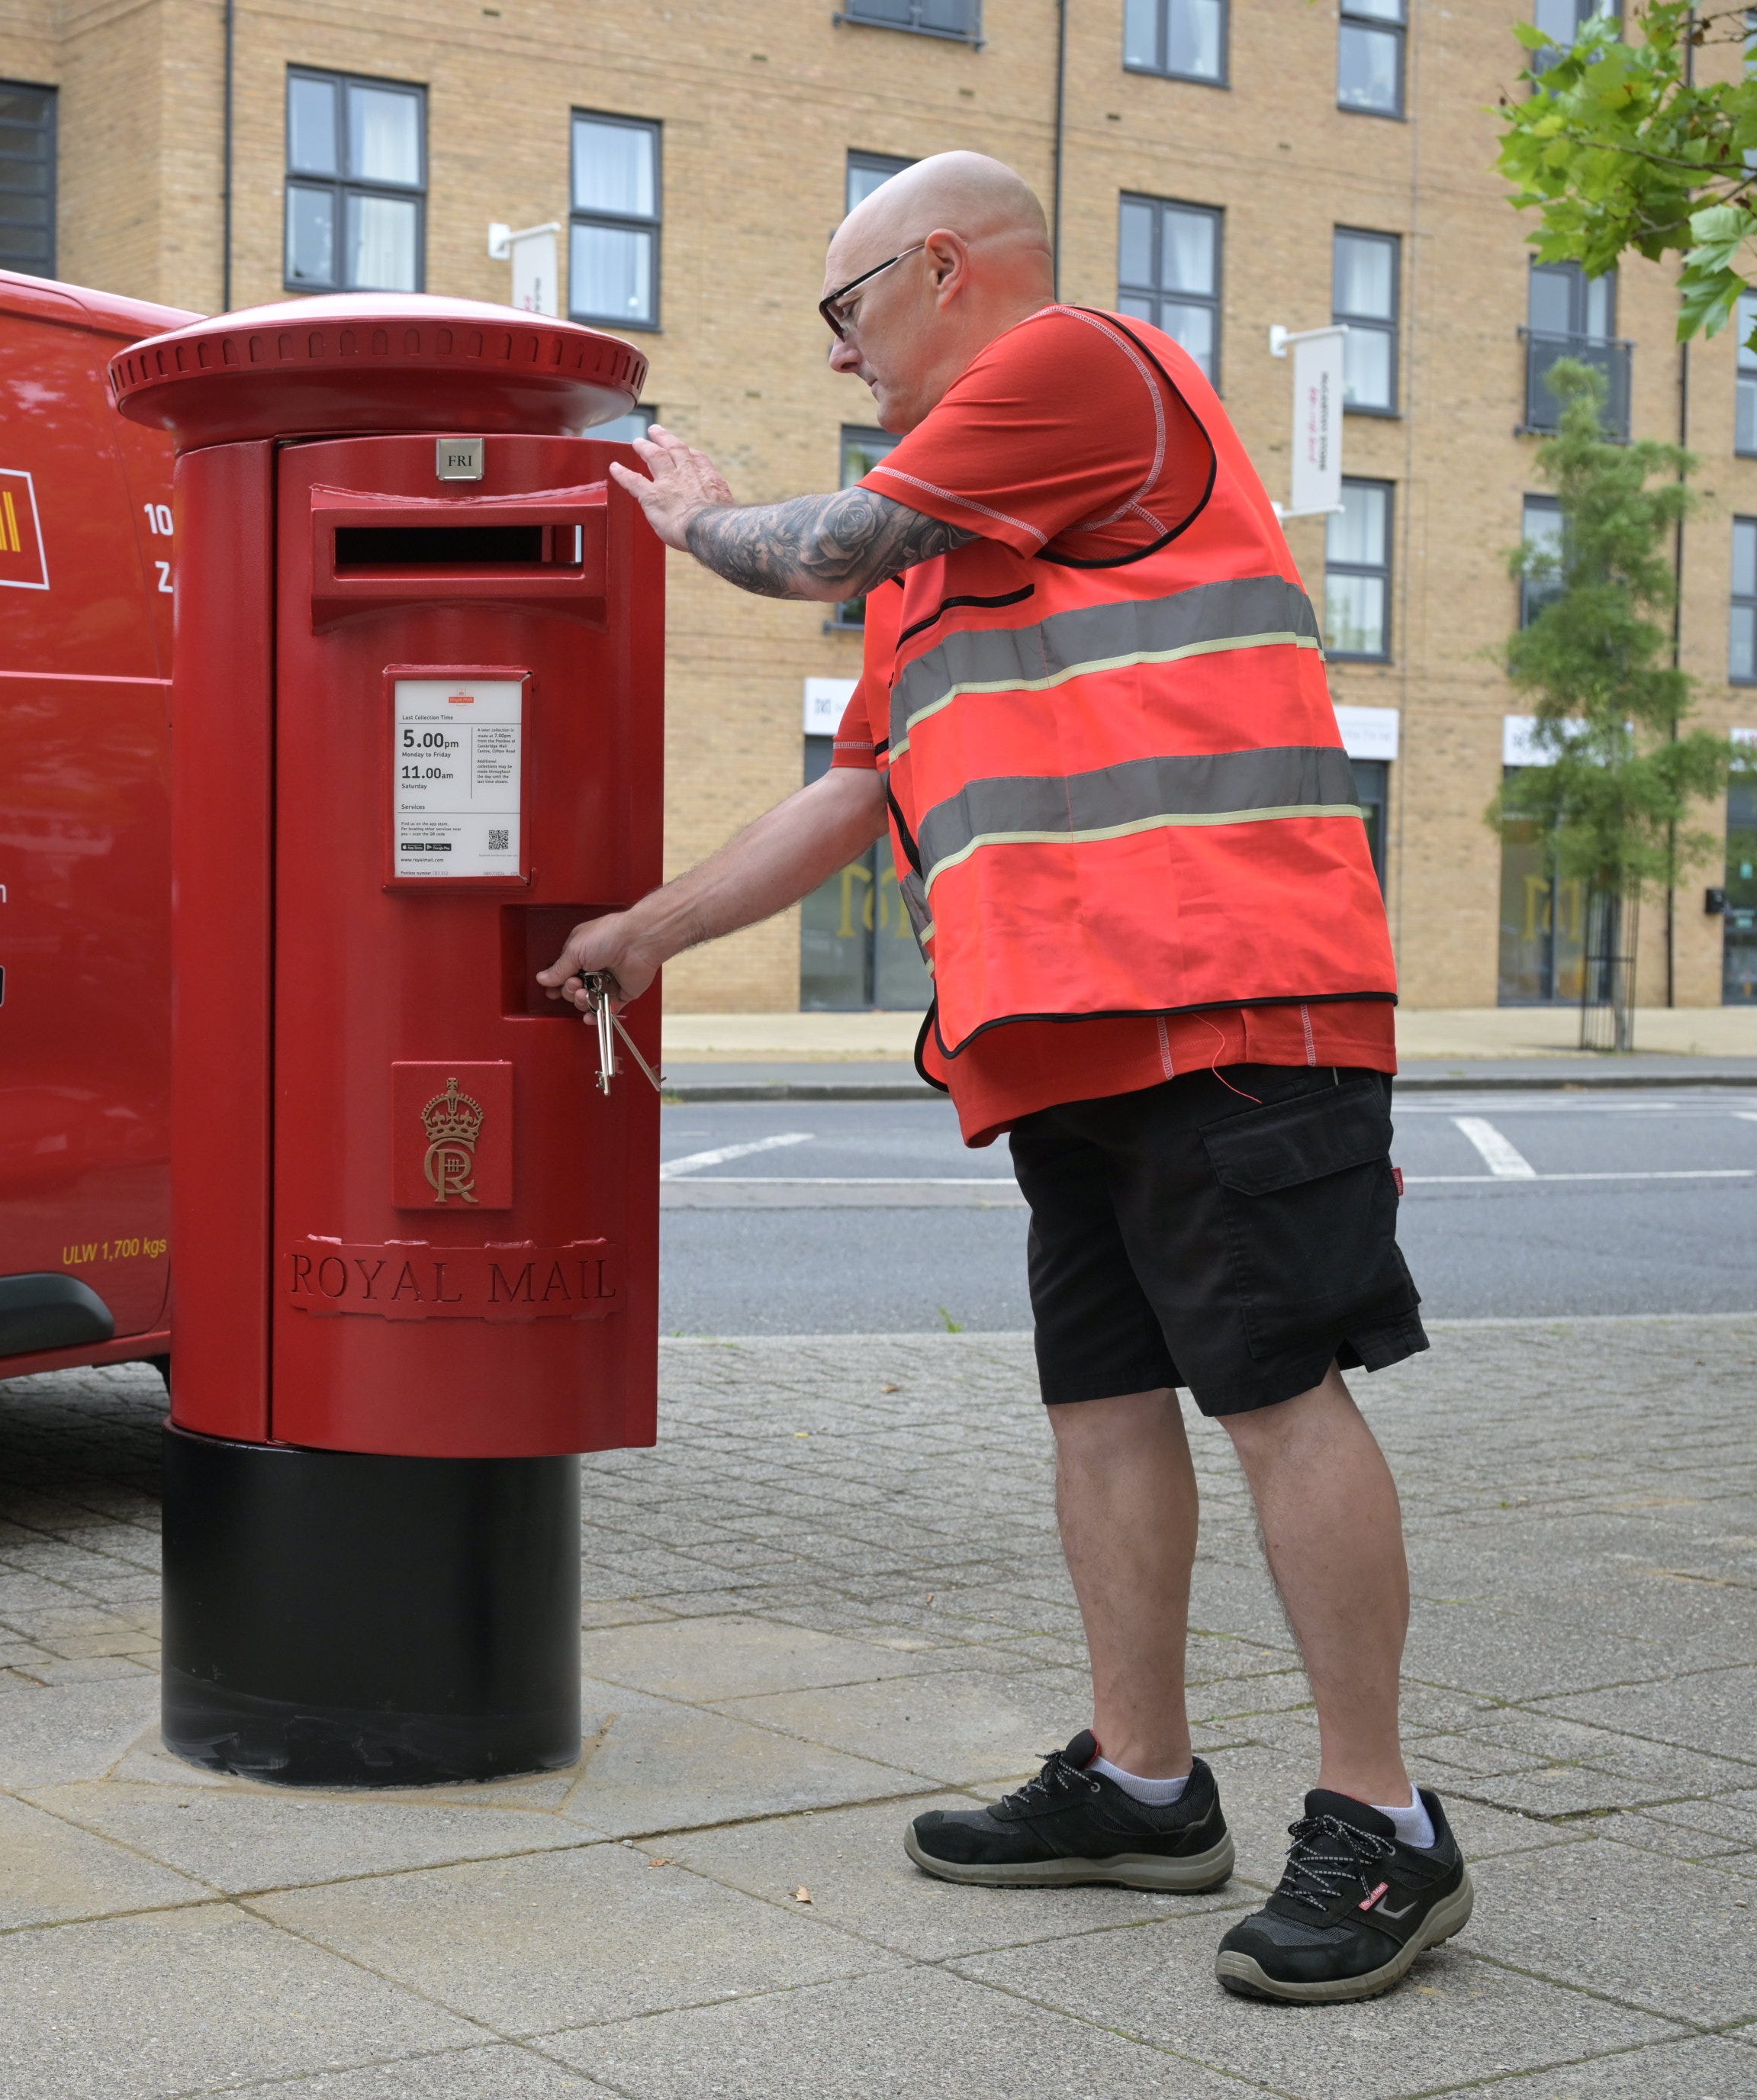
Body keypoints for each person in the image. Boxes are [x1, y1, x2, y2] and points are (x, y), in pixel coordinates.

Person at [541, 151, 1469, 2005]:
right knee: (1105, 1405)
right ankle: (1143, 1781)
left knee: (1277, 1396)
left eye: (845, 312)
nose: (841, 357)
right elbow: (852, 787)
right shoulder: (947, 542)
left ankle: (1388, 1824)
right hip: (1055, 1033)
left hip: (1230, 999)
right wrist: (648, 929)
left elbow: (804, 547)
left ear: (942, 270)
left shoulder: (1074, 368)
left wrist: (691, 513)